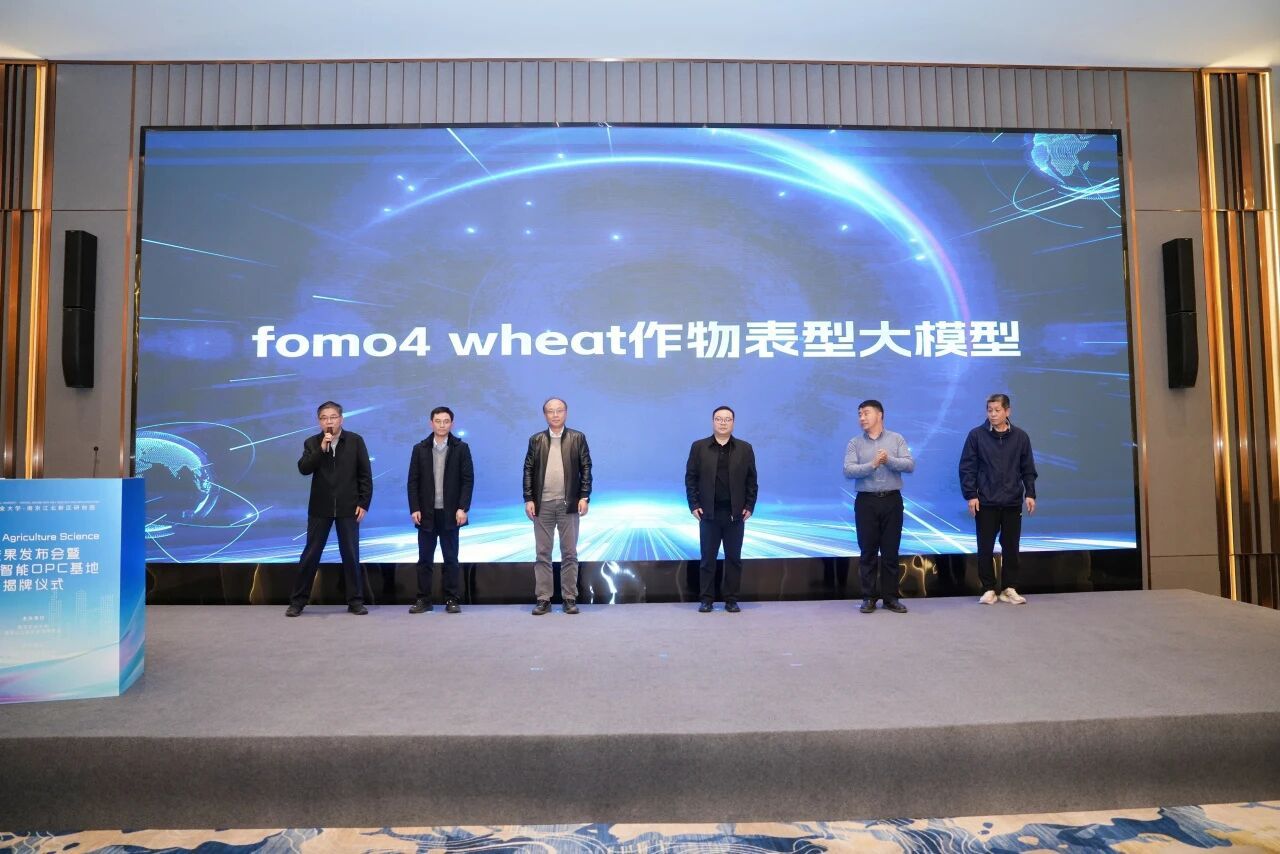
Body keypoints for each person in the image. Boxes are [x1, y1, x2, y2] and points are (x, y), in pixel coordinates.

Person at [286, 401, 373, 617]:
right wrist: (321, 449)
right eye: (324, 418)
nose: (329, 421)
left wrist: (363, 503)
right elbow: (304, 468)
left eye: (333, 417)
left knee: (350, 555)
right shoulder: (312, 442)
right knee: (311, 555)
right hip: (320, 507)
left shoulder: (355, 441)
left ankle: (355, 601)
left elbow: (365, 474)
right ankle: (298, 602)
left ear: (341, 419)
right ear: (319, 421)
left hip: (349, 507)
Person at [958, 393, 1038, 605]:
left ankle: (1009, 588)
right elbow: (967, 468)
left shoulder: (1020, 437)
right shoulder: (976, 436)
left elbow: (1028, 469)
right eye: (989, 410)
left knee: (1011, 547)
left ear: (1007, 411)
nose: (993, 414)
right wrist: (971, 495)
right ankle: (988, 588)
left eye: (997, 410)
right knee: (985, 547)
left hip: (1012, 501)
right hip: (986, 502)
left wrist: (1030, 493)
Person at [843, 399, 915, 614]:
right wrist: (873, 464)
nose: (862, 418)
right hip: (866, 502)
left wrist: (888, 460)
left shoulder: (896, 439)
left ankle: (891, 598)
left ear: (879, 415)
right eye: (859, 414)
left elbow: (909, 465)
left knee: (891, 551)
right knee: (868, 551)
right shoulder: (855, 443)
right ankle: (868, 597)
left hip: (892, 501)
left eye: (866, 413)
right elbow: (848, 470)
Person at [523, 397, 592, 615]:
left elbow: (586, 468)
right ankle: (543, 599)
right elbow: (528, 470)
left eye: (559, 410)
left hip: (568, 504)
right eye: (550, 411)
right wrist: (528, 498)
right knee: (542, 553)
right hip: (542, 505)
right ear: (545, 415)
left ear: (566, 413)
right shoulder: (536, 440)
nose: (555, 414)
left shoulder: (577, 438)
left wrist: (584, 496)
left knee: (569, 553)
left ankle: (569, 598)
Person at [685, 406, 758, 613]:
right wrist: (694, 505)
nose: (723, 422)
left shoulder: (745, 448)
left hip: (735, 514)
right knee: (707, 559)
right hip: (708, 513)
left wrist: (749, 506)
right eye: (719, 419)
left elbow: (752, 481)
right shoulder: (699, 447)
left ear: (733, 422)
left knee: (733, 559)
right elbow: (691, 478)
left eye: (727, 419)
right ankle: (706, 599)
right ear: (713, 422)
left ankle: (731, 599)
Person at [406, 406, 474, 615]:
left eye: (446, 421)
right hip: (426, 513)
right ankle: (423, 599)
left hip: (451, 513)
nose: (442, 425)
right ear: (431, 423)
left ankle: (452, 598)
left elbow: (468, 480)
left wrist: (463, 508)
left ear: (452, 424)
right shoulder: (420, 448)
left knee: (451, 559)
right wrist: (414, 508)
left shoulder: (461, 448)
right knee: (424, 559)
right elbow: (412, 481)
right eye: (438, 421)